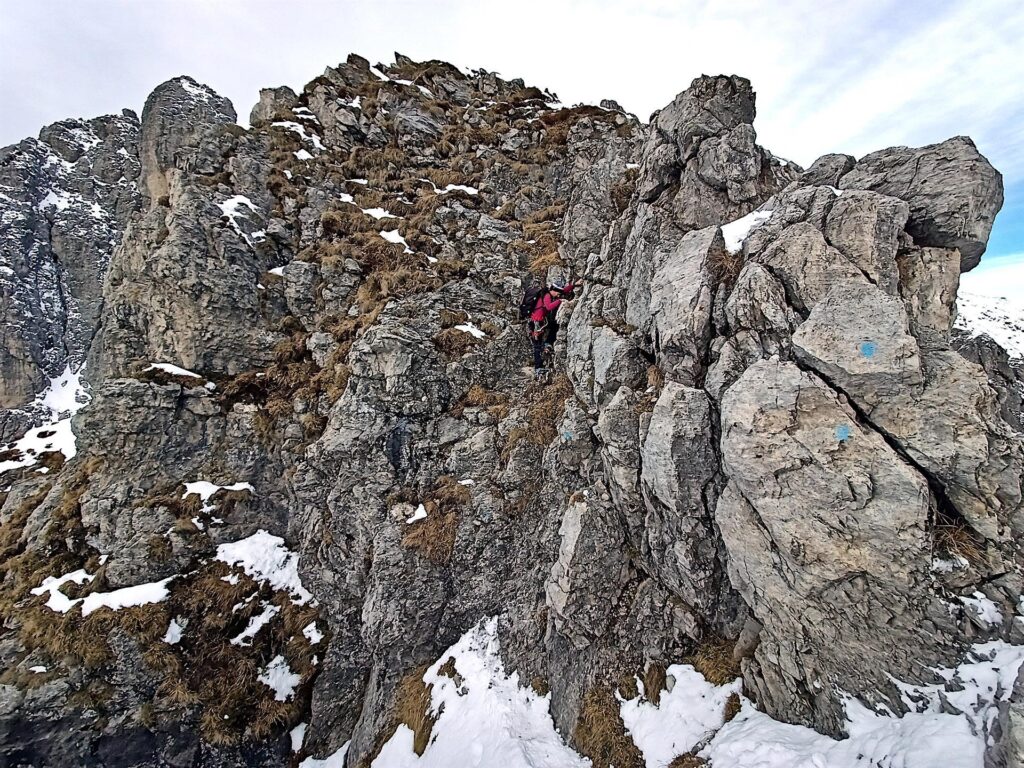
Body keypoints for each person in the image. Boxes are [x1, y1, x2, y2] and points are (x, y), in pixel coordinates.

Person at [527, 281, 578, 373]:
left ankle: (547, 344)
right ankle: (538, 368)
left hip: (539, 320)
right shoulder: (546, 295)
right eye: (558, 293)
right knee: (537, 345)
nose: (559, 295)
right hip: (537, 322)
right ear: (553, 290)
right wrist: (560, 301)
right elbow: (549, 307)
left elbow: (563, 291)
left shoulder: (548, 293)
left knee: (554, 325)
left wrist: (574, 285)